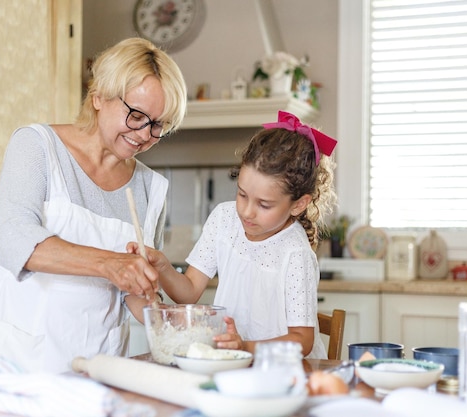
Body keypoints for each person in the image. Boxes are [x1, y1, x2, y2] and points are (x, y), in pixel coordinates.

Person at [0, 37, 187, 373]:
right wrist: (110, 264)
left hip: (97, 357)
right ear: (98, 96)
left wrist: (173, 324)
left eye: (159, 125)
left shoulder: (151, 188)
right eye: (137, 116)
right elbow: (11, 238)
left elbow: (132, 291)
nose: (145, 134)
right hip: (17, 353)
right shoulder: (36, 146)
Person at [135, 111, 337, 359]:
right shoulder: (223, 219)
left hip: (284, 372)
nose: (247, 211)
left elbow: (302, 341)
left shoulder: (295, 254)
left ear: (298, 204)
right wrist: (163, 266)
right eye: (242, 194)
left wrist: (245, 347)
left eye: (264, 205)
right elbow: (187, 292)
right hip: (232, 363)